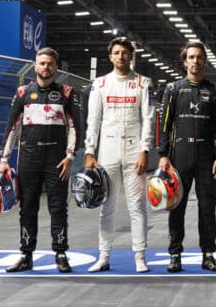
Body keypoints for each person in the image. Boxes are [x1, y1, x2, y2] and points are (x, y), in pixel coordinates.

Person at [0, 47, 83, 273]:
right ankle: (26, 255)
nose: (46, 67)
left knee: (58, 208)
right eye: (42, 63)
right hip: (28, 159)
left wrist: (70, 156)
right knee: (27, 208)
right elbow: (12, 128)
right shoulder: (22, 92)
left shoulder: (67, 92)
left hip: (57, 160)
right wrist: (4, 159)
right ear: (35, 66)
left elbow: (75, 128)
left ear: (56, 67)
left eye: (50, 64)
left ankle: (61, 254)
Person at [84, 37, 155, 273]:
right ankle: (104, 256)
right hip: (108, 150)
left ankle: (140, 256)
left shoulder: (144, 83)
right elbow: (93, 120)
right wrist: (90, 152)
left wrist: (145, 150)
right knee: (107, 205)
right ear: (110, 56)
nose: (121, 56)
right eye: (116, 52)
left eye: (125, 52)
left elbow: (149, 119)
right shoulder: (101, 84)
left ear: (131, 56)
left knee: (137, 205)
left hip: (135, 150)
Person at [156, 42, 216, 273]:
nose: (196, 61)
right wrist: (163, 154)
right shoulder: (173, 89)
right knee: (176, 206)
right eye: (192, 57)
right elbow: (165, 125)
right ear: (185, 61)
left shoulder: (215, 90)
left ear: (205, 61)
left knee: (208, 207)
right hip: (180, 155)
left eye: (200, 58)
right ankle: (175, 254)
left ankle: (208, 255)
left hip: (207, 157)